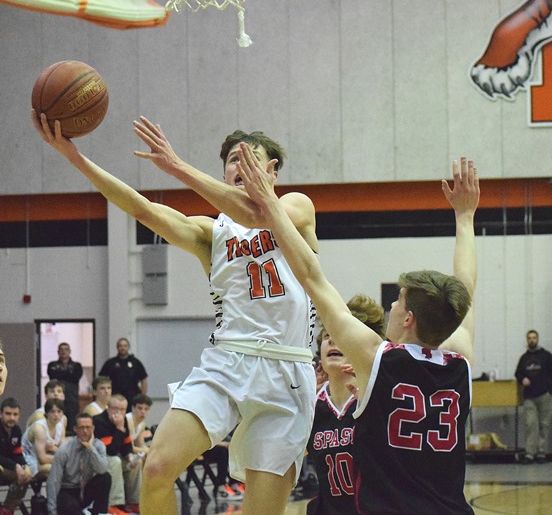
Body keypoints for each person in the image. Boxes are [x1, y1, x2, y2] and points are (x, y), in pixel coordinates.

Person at [32, 112, 319, 515]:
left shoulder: (297, 207)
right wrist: (75, 157)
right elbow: (143, 209)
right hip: (227, 363)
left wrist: (177, 166)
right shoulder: (212, 233)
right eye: (233, 161)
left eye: (249, 158)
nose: (240, 166)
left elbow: (258, 215)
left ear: (272, 169)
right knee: (157, 467)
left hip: (286, 372)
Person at [238, 145, 479, 515]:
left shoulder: (377, 357)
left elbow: (313, 279)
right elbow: (465, 289)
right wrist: (465, 217)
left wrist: (270, 205)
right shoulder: (459, 359)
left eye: (398, 302)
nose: (392, 307)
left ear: (409, 317)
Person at [306, 295, 385, 515]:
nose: (331, 340)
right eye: (327, 335)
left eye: (340, 335)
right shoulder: (312, 404)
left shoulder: (377, 397)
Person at [47, 412, 111, 515]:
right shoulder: (64, 450)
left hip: (86, 490)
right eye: (81, 428)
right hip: (68, 490)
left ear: (93, 428)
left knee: (105, 478)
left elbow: (102, 469)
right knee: (68, 504)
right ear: (75, 429)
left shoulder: (98, 446)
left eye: (88, 427)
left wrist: (90, 448)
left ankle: (100, 513)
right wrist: (52, 511)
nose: (85, 431)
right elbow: (53, 481)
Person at [93, 394, 141, 515]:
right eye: (115, 408)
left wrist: (131, 457)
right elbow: (110, 451)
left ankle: (134, 503)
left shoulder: (123, 420)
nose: (118, 412)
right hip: (98, 461)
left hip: (114, 457)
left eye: (122, 409)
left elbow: (127, 444)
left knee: (137, 463)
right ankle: (114, 504)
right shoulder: (99, 421)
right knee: (115, 461)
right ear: (108, 407)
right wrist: (119, 428)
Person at [514, 329, 552, 464]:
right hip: (529, 396)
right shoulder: (524, 358)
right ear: (527, 340)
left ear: (537, 339)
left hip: (545, 395)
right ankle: (530, 453)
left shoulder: (547, 356)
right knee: (530, 425)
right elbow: (518, 373)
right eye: (529, 338)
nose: (532, 340)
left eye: (534, 338)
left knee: (545, 425)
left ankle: (541, 452)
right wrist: (522, 379)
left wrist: (549, 390)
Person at [0, 398, 33, 515]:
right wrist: (16, 467)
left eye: (15, 414)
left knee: (26, 476)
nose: (12, 418)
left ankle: (7, 509)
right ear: (1, 414)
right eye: (8, 414)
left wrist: (25, 466)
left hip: (8, 467)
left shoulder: (17, 431)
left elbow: (18, 453)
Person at [22, 398, 66, 479]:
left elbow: (63, 451)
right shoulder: (40, 428)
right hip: (28, 458)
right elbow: (42, 459)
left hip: (46, 457)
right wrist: (61, 457)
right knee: (55, 469)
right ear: (46, 413)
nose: (56, 415)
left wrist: (55, 450)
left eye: (59, 411)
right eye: (52, 412)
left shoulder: (61, 426)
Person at [99, 339, 148, 408]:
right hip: (115, 396)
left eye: (125, 346)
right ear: (117, 347)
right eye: (120, 346)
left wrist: (142, 396)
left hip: (133, 397)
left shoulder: (135, 362)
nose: (123, 348)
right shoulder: (110, 363)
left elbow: (144, 380)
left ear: (128, 347)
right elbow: (101, 380)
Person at [47, 343, 83, 431]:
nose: (63, 351)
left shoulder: (77, 366)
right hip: (56, 401)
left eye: (66, 349)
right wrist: (68, 373)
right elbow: (53, 376)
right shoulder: (52, 365)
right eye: (61, 349)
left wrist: (61, 373)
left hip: (72, 400)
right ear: (58, 351)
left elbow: (75, 377)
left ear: (70, 351)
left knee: (72, 426)